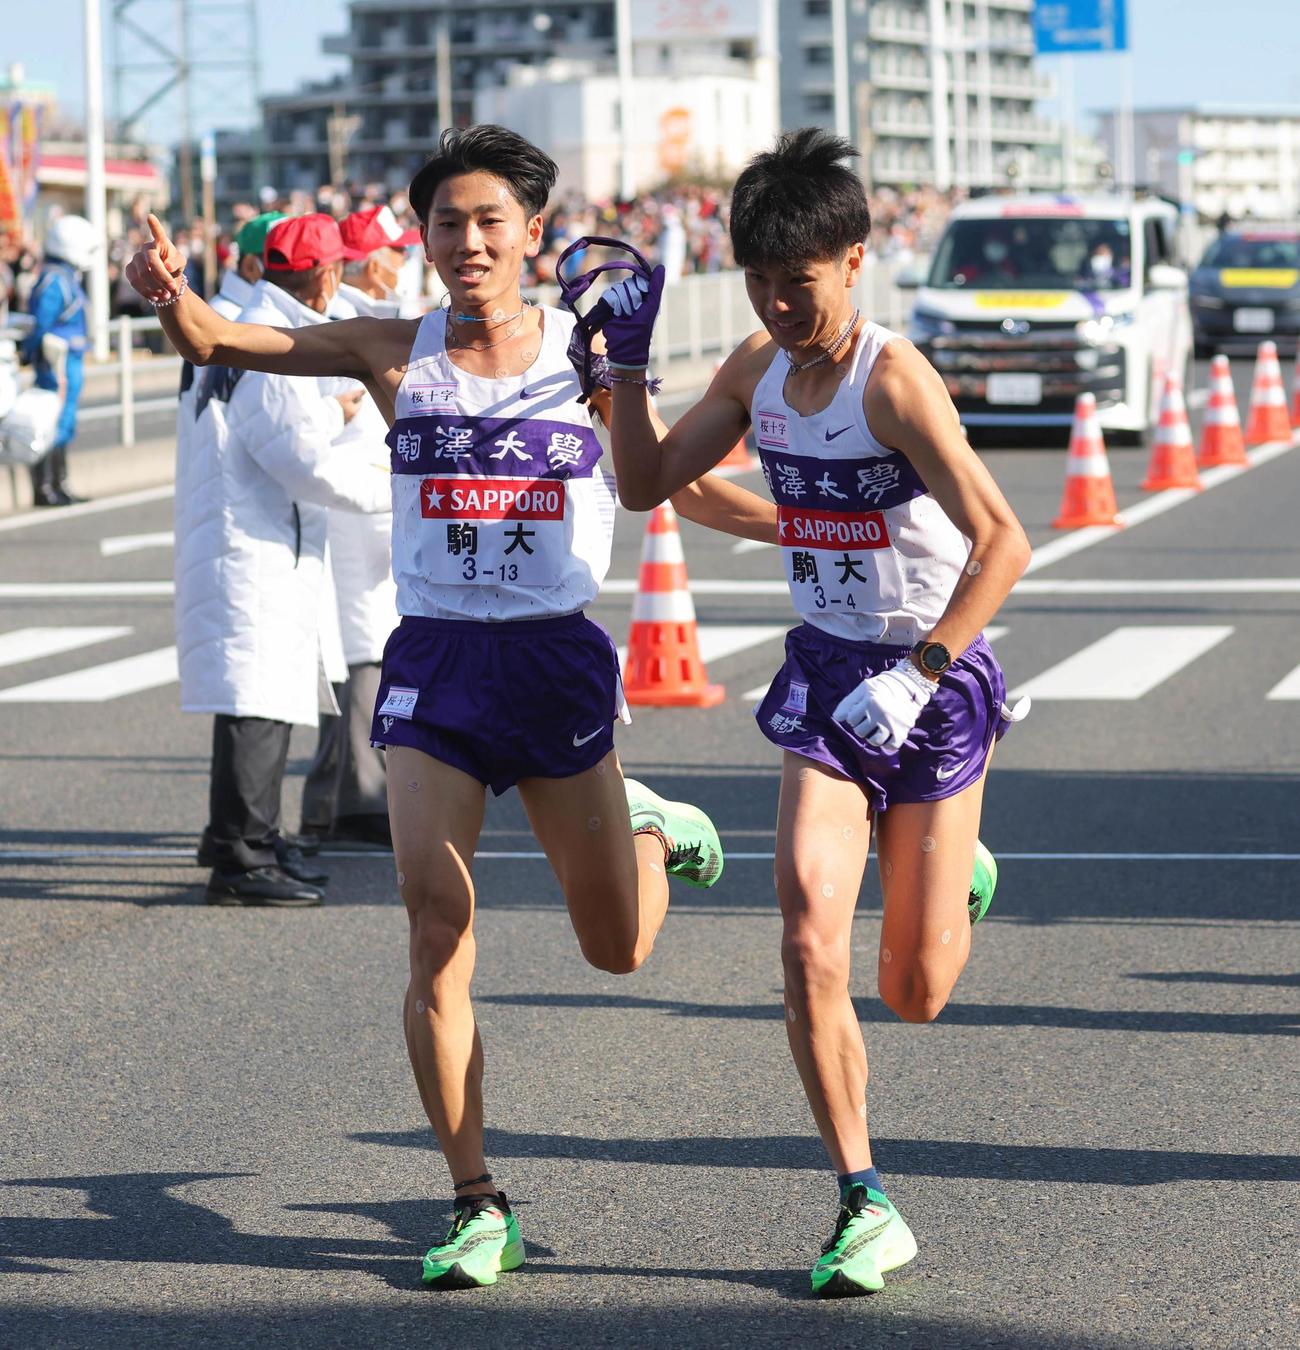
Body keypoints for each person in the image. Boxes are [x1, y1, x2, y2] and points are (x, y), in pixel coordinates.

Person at [124, 123, 779, 1289]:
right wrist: (169, 294)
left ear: (532, 233)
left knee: (617, 949)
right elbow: (225, 338)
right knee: (436, 927)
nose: (467, 241)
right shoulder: (392, 348)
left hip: (553, 662)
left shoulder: (586, 357)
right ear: (423, 237)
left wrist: (819, 521)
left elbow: (668, 483)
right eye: (446, 222)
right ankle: (477, 1200)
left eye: (489, 221)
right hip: (434, 662)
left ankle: (651, 829)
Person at [601, 127, 1031, 1297]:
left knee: (913, 993)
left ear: (852, 261)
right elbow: (649, 485)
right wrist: (622, 380)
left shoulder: (891, 381)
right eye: (757, 280)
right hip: (829, 678)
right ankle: (862, 1198)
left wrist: (923, 671)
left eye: (797, 279)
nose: (778, 304)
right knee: (803, 936)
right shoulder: (755, 368)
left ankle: (954, 863)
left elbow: (1003, 541)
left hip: (928, 682)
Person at [176, 211, 390, 908]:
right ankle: (243, 856)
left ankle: (248, 838)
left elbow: (280, 434)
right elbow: (304, 463)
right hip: (255, 545)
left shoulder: (253, 326)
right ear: (326, 275)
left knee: (261, 698)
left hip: (254, 536)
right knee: (257, 703)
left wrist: (335, 415)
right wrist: (395, 490)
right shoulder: (271, 345)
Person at [22, 214, 97, 507]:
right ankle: (46, 487)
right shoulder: (55, 279)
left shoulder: (63, 277)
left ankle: (59, 483)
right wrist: (31, 353)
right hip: (58, 362)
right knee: (51, 421)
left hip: (69, 360)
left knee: (65, 421)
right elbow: (40, 323)